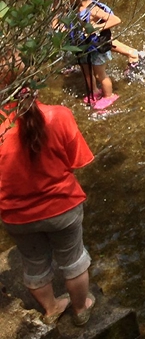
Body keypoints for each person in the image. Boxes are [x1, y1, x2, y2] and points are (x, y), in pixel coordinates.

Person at [0, 87, 97, 326]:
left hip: (16, 216)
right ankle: (81, 308)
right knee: (74, 261)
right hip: (62, 207)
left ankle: (52, 308)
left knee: (34, 264)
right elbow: (78, 160)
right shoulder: (59, 115)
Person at [71, 0, 141, 110]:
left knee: (100, 75)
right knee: (86, 72)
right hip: (83, 47)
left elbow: (115, 20)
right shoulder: (73, 8)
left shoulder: (92, 9)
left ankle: (109, 96)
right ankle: (94, 91)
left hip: (97, 48)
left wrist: (96, 28)